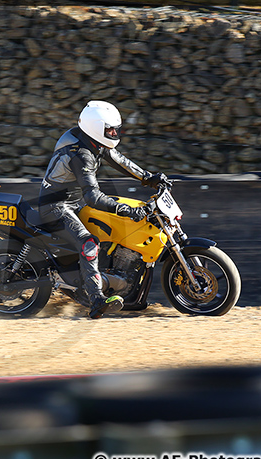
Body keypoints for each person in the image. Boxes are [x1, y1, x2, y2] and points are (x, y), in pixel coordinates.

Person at [38, 100, 170, 319]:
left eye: (115, 129)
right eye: (110, 129)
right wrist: (126, 210)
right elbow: (93, 196)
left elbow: (120, 160)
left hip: (73, 203)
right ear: (95, 127)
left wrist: (150, 178)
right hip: (56, 207)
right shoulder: (81, 154)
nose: (114, 132)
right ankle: (96, 299)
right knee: (89, 242)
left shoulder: (92, 141)